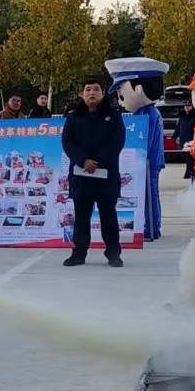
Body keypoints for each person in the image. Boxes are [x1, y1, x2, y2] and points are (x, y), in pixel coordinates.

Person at [61, 75, 127, 268]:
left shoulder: (113, 115)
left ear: (103, 93)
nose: (92, 93)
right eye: (88, 89)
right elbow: (67, 143)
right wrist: (84, 161)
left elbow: (117, 141)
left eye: (96, 89)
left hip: (106, 177)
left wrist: (96, 161)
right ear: (81, 93)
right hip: (81, 177)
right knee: (81, 219)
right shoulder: (73, 117)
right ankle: (78, 254)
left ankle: (113, 254)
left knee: (109, 217)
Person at [106, 56, 169, 241]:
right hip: (148, 161)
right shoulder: (146, 112)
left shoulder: (147, 114)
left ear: (138, 89)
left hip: (147, 162)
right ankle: (151, 225)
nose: (120, 100)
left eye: (122, 95)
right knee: (149, 193)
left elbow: (144, 142)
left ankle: (151, 227)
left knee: (149, 194)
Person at [175, 104, 195, 181]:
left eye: (189, 106)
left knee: (190, 157)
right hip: (183, 139)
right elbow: (179, 127)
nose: (187, 107)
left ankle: (189, 173)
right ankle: (191, 172)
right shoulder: (182, 116)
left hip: (191, 139)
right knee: (186, 157)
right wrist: (175, 136)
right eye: (186, 106)